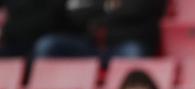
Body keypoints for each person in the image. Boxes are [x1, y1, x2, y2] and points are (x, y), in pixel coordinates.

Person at [33, 0, 167, 64]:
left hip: (126, 45)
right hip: (90, 45)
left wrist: (98, 10)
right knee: (47, 45)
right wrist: (108, 7)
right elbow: (74, 13)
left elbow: (139, 8)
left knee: (134, 53)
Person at [0, 0, 69, 57]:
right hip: (13, 41)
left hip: (45, 37)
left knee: (46, 45)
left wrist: (6, 31)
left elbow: (48, 19)